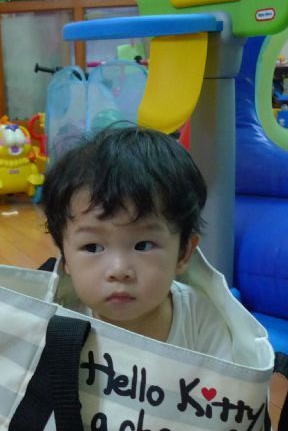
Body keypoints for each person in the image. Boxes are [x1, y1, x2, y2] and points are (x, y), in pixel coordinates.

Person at [43, 126, 232, 356]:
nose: (119, 271)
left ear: (183, 253)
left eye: (143, 245)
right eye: (92, 247)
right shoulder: (55, 320)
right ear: (65, 259)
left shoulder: (202, 322)